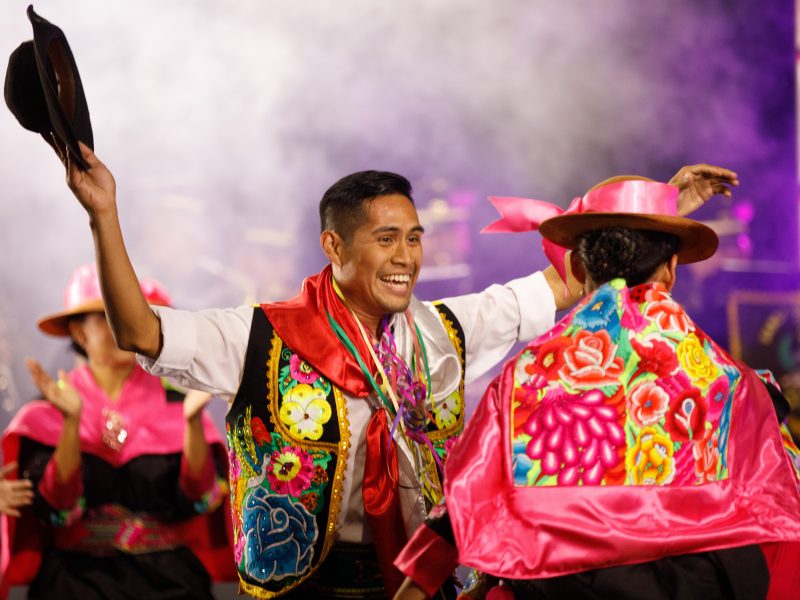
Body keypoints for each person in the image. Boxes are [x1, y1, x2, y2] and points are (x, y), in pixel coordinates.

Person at [59, 140, 735, 598]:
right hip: (304, 589)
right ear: (334, 245)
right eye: (386, 239)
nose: (407, 256)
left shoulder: (442, 332)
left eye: (414, 238)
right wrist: (103, 215)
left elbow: (571, 282)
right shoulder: (262, 335)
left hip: (422, 584)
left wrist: (657, 215)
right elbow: (141, 330)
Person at [392, 176, 800, 600]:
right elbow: (778, 514)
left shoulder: (525, 380)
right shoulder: (732, 387)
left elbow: (463, 504)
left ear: (580, 270)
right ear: (672, 271)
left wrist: (418, 585)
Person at [0, 264, 235, 600]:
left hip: (171, 584)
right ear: (79, 334)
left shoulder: (179, 403)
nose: (120, 325)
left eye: (125, 313)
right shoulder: (47, 413)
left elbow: (198, 501)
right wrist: (71, 423)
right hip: (74, 583)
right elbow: (58, 509)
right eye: (106, 316)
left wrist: (193, 422)